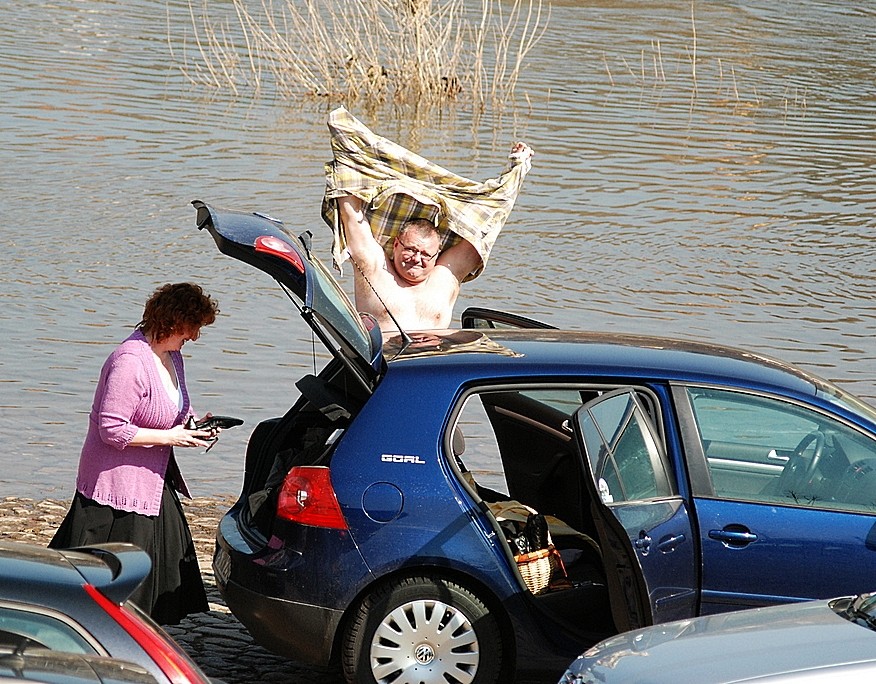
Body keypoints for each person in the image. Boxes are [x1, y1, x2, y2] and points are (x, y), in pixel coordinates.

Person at [50, 282, 220, 625]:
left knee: (163, 567)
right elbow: (112, 429)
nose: (195, 337)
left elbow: (168, 410)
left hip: (153, 479)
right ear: (174, 322)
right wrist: (170, 437)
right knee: (109, 577)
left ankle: (140, 632)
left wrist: (192, 426)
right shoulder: (128, 362)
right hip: (115, 485)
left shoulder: (172, 356)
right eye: (193, 329)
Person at [338, 141, 534, 332]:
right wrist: (346, 145)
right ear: (397, 244)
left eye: (425, 254)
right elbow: (352, 216)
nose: (416, 259)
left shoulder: (446, 276)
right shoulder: (374, 268)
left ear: (437, 254)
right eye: (411, 250)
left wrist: (517, 168)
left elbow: (489, 223)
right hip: (385, 364)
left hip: (432, 364)